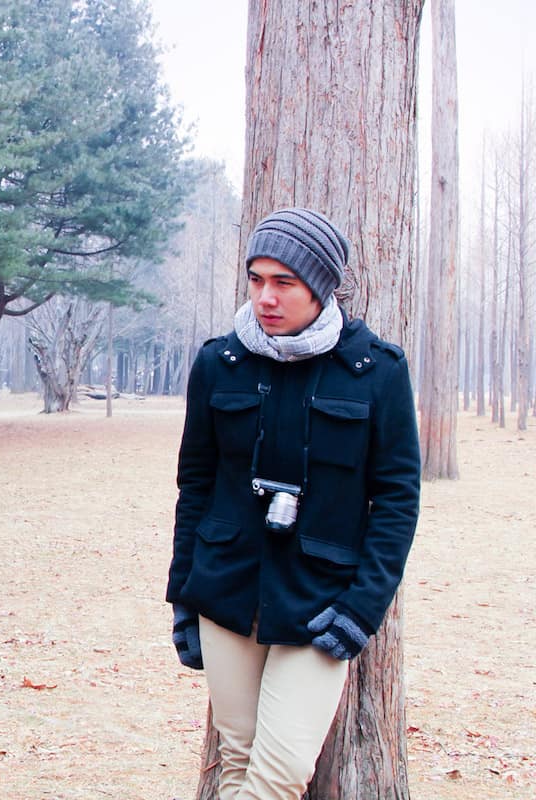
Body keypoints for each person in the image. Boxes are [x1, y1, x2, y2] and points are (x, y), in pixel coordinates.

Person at [166, 208, 421, 800]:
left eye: (284, 282)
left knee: (276, 777)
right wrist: (182, 596)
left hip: (320, 603)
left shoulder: (375, 372)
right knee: (237, 762)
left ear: (321, 286)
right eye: (256, 279)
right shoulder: (218, 363)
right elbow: (195, 487)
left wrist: (362, 610)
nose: (265, 297)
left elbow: (398, 501)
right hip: (226, 590)